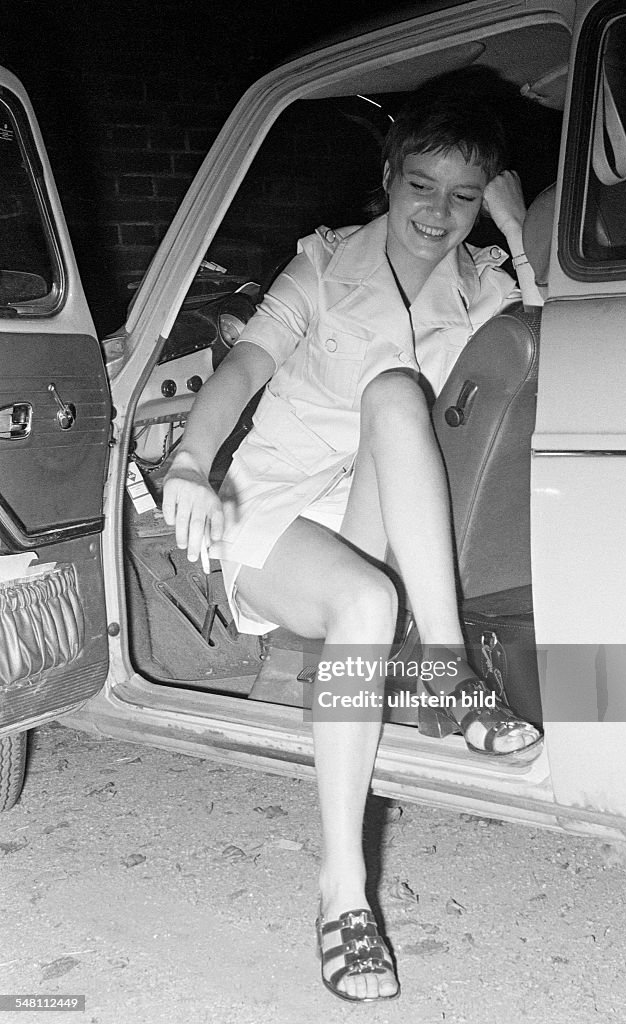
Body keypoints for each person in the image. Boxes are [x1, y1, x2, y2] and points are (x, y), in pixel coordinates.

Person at [162, 79, 543, 1003]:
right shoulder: (327, 263)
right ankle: (343, 893)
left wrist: (517, 227)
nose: (438, 214)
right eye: (421, 187)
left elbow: (568, 328)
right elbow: (248, 360)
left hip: (376, 516)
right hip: (275, 513)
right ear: (388, 177)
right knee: (367, 597)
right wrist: (189, 459)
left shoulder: (485, 282)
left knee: (392, 396)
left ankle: (443, 667)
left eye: (463, 196)